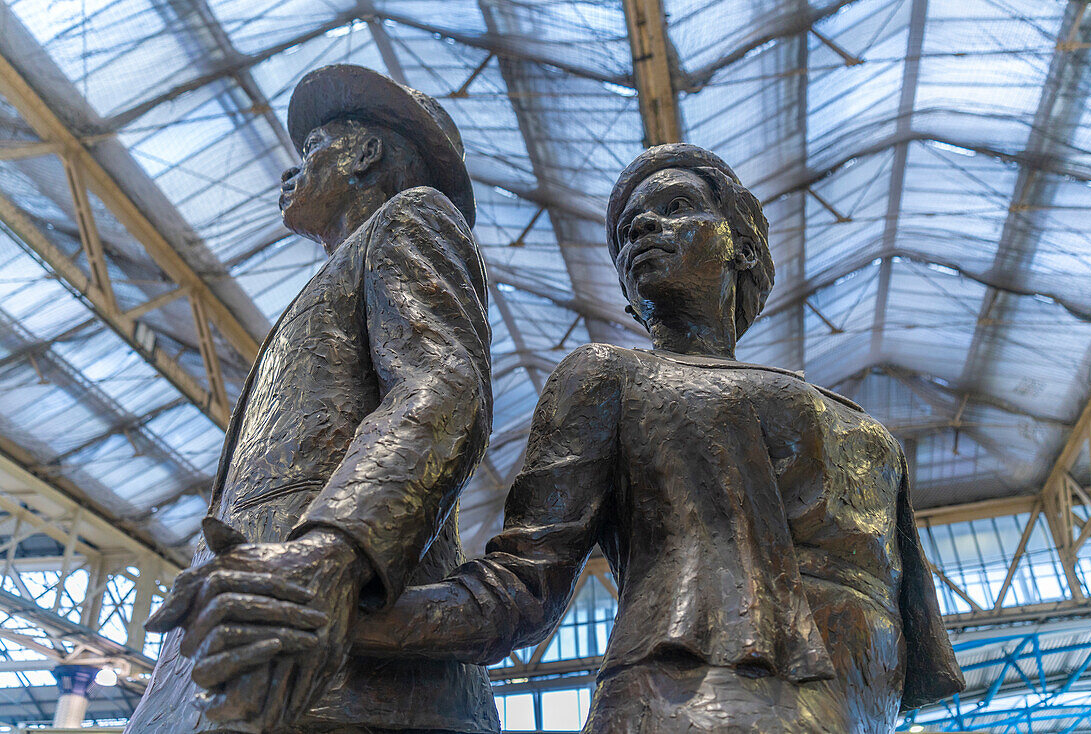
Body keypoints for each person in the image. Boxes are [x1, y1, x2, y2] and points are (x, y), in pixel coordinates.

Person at [357, 144, 964, 733]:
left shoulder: (868, 434)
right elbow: (520, 586)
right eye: (627, 231)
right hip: (683, 705)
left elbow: (905, 649)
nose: (643, 226)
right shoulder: (607, 378)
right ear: (626, 291)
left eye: (676, 207)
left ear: (743, 248)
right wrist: (340, 609)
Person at [125, 65, 499, 734]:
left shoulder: (410, 219)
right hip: (252, 642)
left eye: (312, 148)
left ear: (364, 154)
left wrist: (330, 553)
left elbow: (442, 387)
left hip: (338, 658)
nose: (288, 172)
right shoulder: (336, 275)